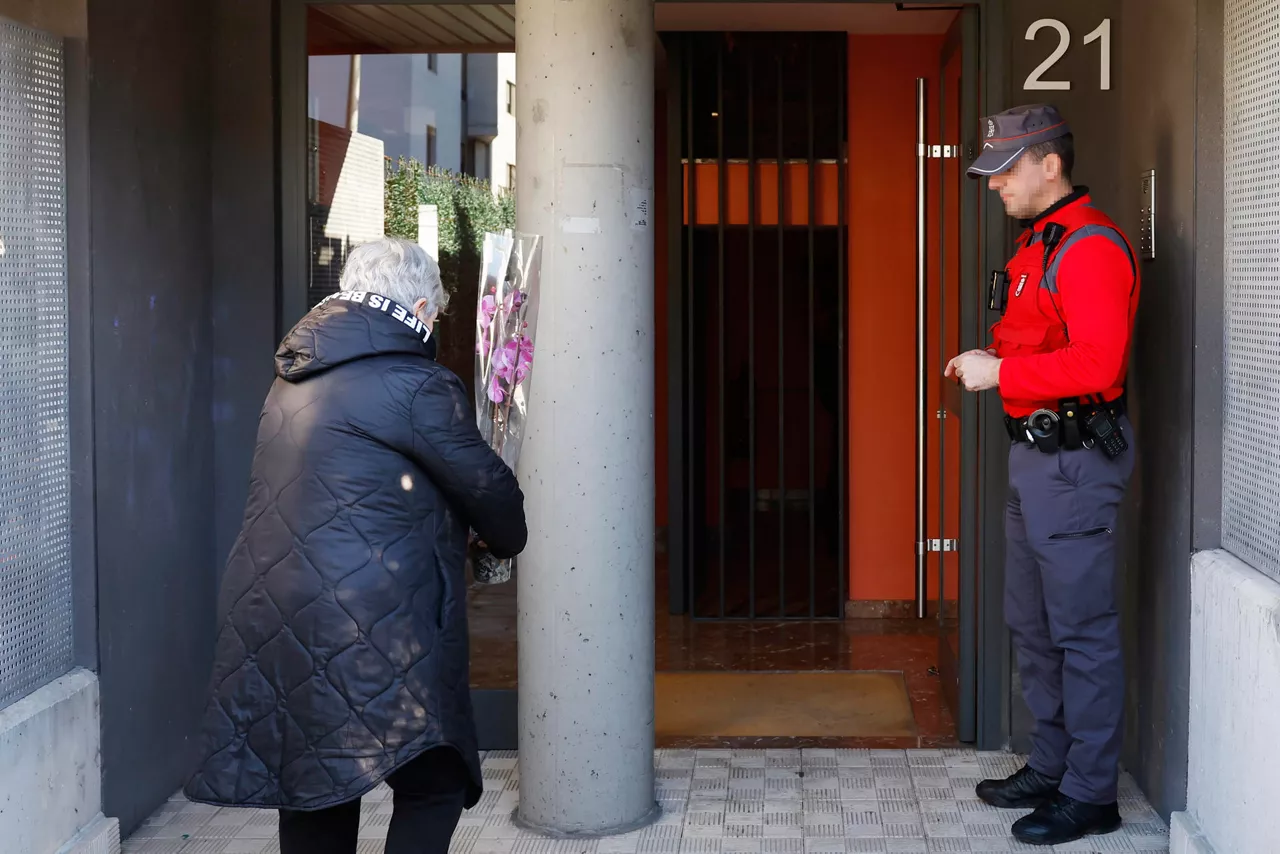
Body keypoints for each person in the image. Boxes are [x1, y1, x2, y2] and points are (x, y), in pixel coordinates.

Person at [184, 237, 527, 854]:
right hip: (377, 620)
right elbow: (492, 492)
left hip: (276, 612)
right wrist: (499, 539)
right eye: (435, 313)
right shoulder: (417, 385)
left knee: (315, 785)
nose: (433, 324)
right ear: (419, 306)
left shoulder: (290, 377)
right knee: (434, 780)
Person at [945, 105, 1140, 846]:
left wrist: (1001, 371)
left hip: (1076, 464)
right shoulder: (1040, 245)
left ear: (1048, 165)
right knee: (1032, 623)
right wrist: (990, 364)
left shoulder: (1089, 248)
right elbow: (1037, 351)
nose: (994, 186)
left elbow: (1100, 363)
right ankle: (1054, 765)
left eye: (1005, 171)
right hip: (1036, 458)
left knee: (1082, 631)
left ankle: (1092, 795)